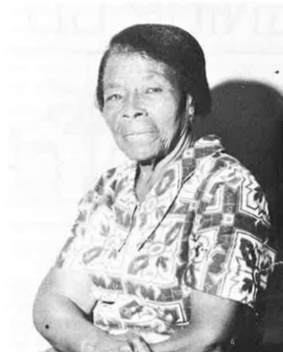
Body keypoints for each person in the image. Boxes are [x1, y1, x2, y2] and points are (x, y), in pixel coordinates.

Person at [33, 24, 277, 352]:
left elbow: (210, 337)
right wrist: (94, 343)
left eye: (152, 90)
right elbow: (53, 301)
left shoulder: (225, 187)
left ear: (190, 101)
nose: (130, 108)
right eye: (115, 95)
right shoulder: (110, 189)